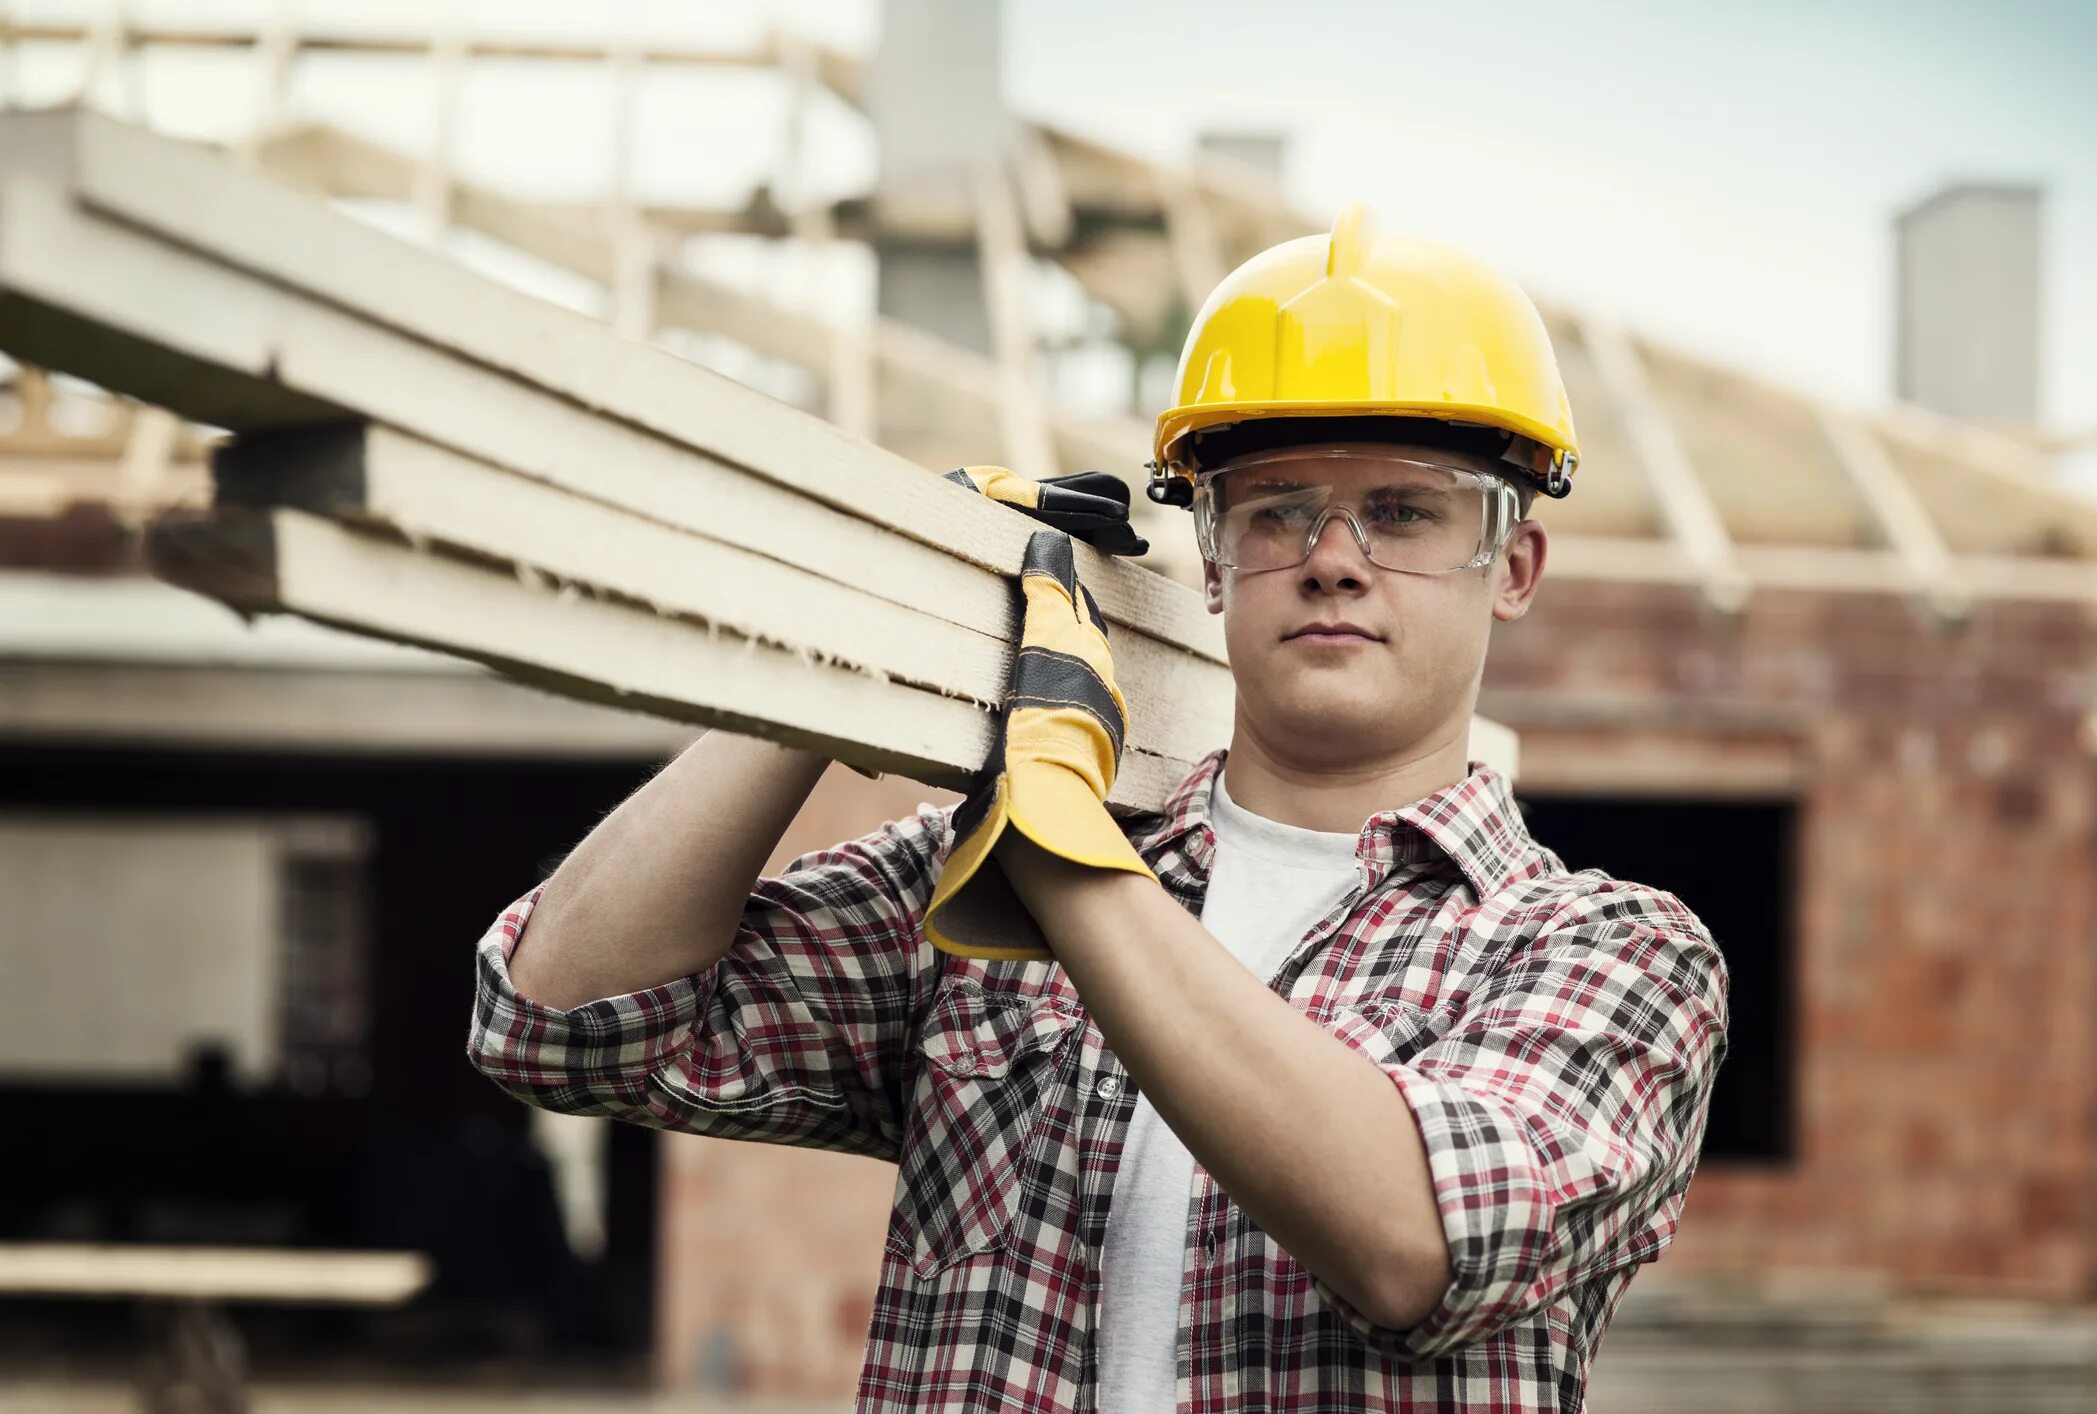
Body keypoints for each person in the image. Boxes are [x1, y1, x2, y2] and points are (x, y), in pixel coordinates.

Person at [468, 203, 1729, 1414]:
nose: (1332, 554)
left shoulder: (1609, 953)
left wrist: (1054, 847)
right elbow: (560, 1018)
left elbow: (1415, 1240)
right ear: (1214, 552)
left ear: (1512, 565)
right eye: (1276, 507)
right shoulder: (975, 879)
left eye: (1402, 510)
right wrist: (856, 645)